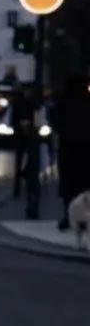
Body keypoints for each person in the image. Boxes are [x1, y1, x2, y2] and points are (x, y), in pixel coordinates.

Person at [54, 72, 90, 230]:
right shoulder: (86, 101)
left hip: (68, 147)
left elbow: (57, 122)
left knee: (68, 185)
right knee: (83, 184)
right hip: (86, 148)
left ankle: (68, 216)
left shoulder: (63, 101)